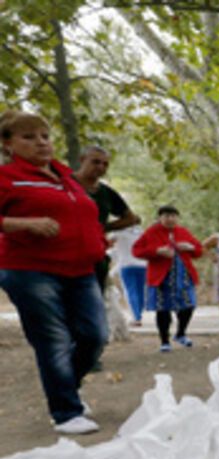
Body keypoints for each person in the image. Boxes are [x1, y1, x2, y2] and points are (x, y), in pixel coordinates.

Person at [0, 110, 108, 434]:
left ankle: (66, 390)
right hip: (30, 270)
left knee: (95, 336)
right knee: (54, 340)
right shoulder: (7, 178)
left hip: (81, 269)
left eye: (44, 136)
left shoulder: (65, 176)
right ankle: (65, 412)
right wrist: (23, 223)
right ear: (7, 145)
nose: (41, 143)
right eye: (28, 137)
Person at [133, 205, 203, 353]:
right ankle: (164, 341)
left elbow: (198, 251)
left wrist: (190, 247)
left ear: (177, 218)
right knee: (162, 310)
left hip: (183, 277)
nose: (170, 219)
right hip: (161, 278)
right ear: (160, 218)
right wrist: (157, 251)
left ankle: (180, 334)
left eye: (173, 216)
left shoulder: (183, 231)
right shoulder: (151, 232)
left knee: (189, 305)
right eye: (166, 216)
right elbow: (136, 250)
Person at [73, 145, 140, 291]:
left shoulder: (106, 192)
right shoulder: (65, 183)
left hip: (94, 257)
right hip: (64, 255)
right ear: (82, 160)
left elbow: (132, 218)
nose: (101, 167)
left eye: (105, 164)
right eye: (95, 162)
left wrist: (103, 228)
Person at [109, 224, 148, 326]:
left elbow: (109, 243)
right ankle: (138, 314)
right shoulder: (141, 231)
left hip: (127, 265)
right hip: (143, 264)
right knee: (141, 291)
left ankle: (136, 317)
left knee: (130, 291)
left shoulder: (118, 232)